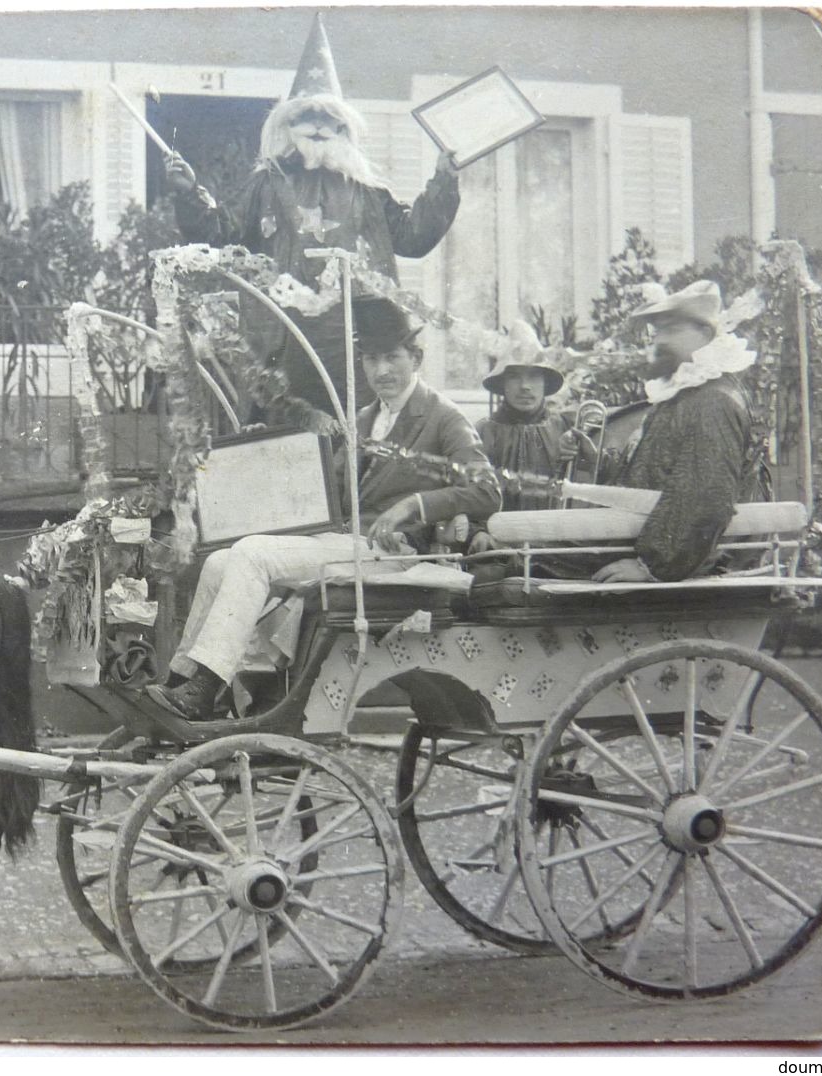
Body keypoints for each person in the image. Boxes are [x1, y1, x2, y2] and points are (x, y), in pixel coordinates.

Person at [147, 297, 499, 722]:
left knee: (252, 554)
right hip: (348, 543)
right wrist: (267, 451)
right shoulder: (365, 418)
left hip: (398, 556)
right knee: (222, 561)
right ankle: (183, 677)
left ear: (416, 357)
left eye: (392, 357)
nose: (381, 370)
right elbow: (322, 489)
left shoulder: (445, 417)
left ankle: (207, 688)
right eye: (371, 359)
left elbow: (487, 491)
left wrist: (415, 505)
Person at [162, 15, 459, 415]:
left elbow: (414, 238)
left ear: (343, 128)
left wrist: (442, 180)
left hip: (357, 337)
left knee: (357, 433)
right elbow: (217, 235)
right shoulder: (266, 183)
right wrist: (189, 193)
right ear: (289, 125)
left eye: (328, 119)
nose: (318, 127)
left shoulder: (366, 190)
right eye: (307, 117)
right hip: (281, 337)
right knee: (285, 432)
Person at [585, 279, 756, 583]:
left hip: (656, 557)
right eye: (657, 332)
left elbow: (705, 496)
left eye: (672, 330)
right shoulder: (684, 394)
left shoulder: (712, 401)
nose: (660, 341)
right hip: (630, 539)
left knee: (503, 569)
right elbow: (651, 475)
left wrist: (649, 565)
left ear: (705, 333)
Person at [473, 322, 597, 513]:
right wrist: (479, 531)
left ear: (545, 382)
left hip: (555, 536)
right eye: (515, 376)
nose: (525, 386)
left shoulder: (567, 428)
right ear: (503, 383)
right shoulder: (481, 433)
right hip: (497, 536)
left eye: (533, 376)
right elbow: (469, 495)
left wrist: (589, 459)